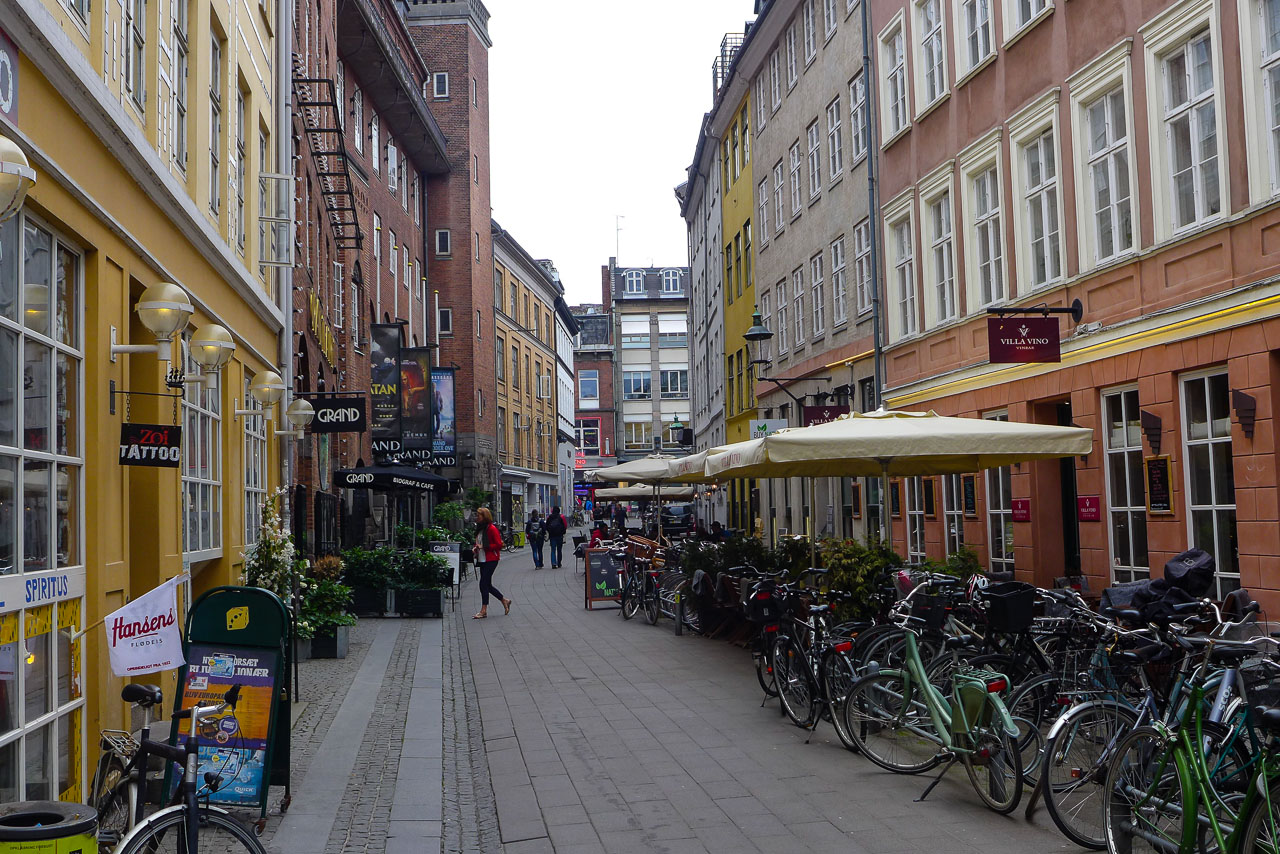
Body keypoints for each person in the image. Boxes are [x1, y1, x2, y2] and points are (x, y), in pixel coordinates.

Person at [472, 507, 511, 619]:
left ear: (484, 517)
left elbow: (499, 544)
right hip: (482, 559)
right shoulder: (480, 529)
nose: (476, 518)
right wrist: (475, 548)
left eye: (478, 516)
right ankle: (504, 600)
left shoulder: (491, 529)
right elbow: (478, 543)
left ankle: (483, 610)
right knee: (487, 584)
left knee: (483, 584)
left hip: (491, 559)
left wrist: (484, 547)